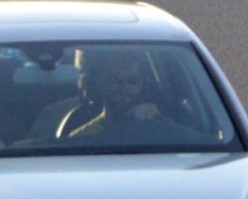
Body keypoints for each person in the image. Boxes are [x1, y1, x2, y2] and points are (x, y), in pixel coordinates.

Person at [26, 45, 204, 147]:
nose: (125, 87)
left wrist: (158, 120)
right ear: (98, 84)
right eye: (115, 81)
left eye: (132, 81)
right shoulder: (75, 125)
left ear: (143, 85)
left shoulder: (165, 118)